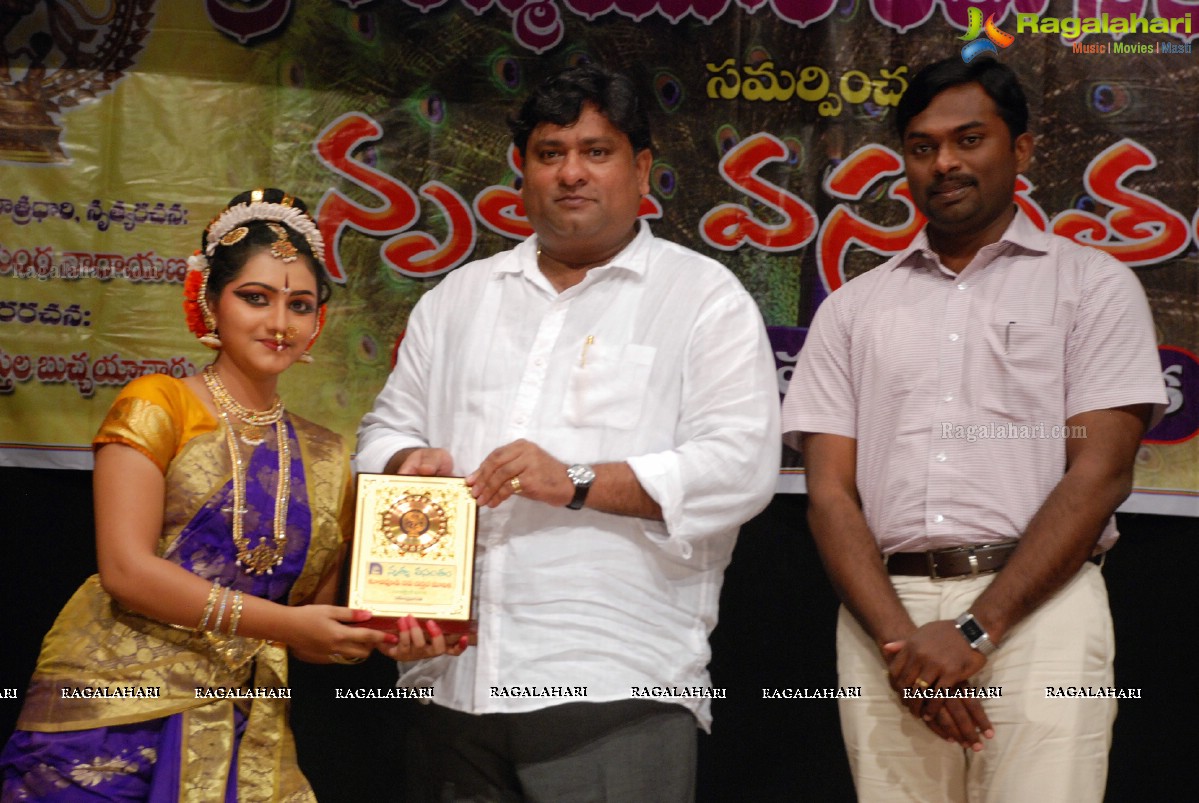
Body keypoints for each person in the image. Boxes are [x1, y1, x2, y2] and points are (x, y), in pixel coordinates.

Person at [357, 63, 780, 800]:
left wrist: (577, 480)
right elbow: (381, 428)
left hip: (614, 684)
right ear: (521, 172)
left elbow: (739, 465)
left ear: (642, 168)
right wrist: (405, 458)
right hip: (452, 683)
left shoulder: (702, 298)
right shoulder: (458, 297)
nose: (571, 173)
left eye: (596, 151)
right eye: (549, 154)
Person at [781, 57, 1167, 801]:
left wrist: (974, 631)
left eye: (968, 139)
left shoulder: (1090, 286)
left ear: (1019, 150)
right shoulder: (853, 310)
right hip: (881, 625)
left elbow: (1099, 473)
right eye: (922, 146)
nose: (944, 163)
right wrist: (904, 642)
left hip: (1037, 614)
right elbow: (829, 494)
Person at [0, 188, 408, 801]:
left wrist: (381, 635)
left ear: (317, 321)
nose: (279, 322)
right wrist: (291, 626)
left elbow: (314, 626)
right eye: (255, 298)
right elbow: (126, 571)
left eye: (299, 305)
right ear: (208, 303)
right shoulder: (159, 403)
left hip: (243, 723)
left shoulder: (328, 455)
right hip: (111, 713)